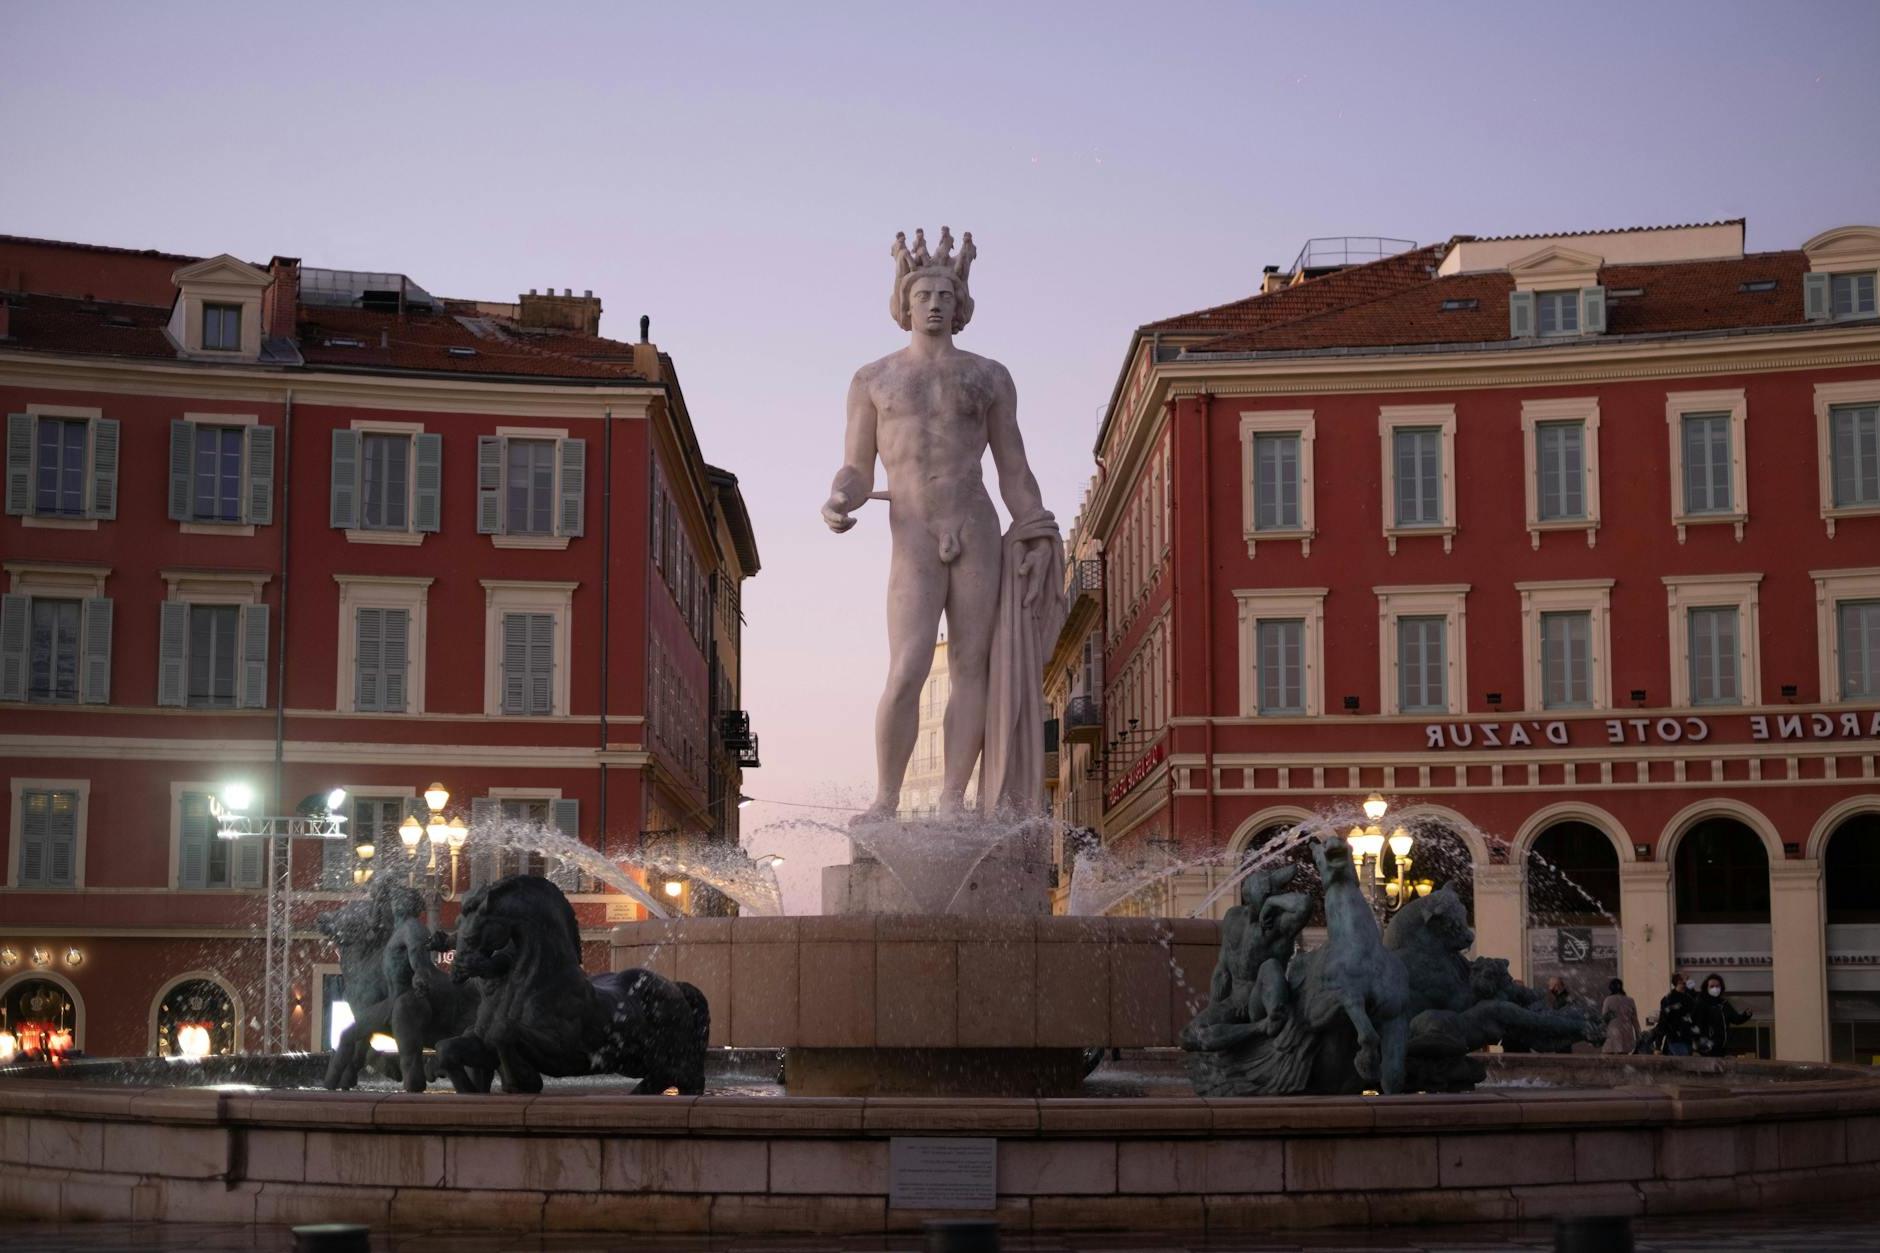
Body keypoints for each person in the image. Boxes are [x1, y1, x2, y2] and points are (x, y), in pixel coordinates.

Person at [1692, 973, 1752, 1057]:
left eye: (1717, 986)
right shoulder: (1701, 1003)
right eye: (1712, 986)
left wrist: (1746, 1015)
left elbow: (1735, 1019)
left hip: (1722, 1048)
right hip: (1706, 1048)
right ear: (1706, 988)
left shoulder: (1724, 1004)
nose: (1715, 988)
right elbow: (1695, 1024)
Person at [1650, 972, 1699, 1056]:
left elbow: (1695, 1019)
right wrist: (1658, 1046)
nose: (1685, 984)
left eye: (1686, 981)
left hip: (1686, 1038)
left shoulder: (1689, 999)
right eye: (1683, 982)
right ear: (1677, 983)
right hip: (1675, 1038)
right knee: (1685, 1062)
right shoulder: (1669, 999)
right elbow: (1663, 1021)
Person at [1600, 977, 1640, 1055]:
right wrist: (1638, 1038)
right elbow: (1635, 1021)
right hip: (1626, 1035)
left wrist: (1601, 1035)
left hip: (1612, 1035)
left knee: (1608, 1060)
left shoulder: (1608, 1000)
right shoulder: (1630, 1001)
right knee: (1623, 1060)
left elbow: (1604, 1019)